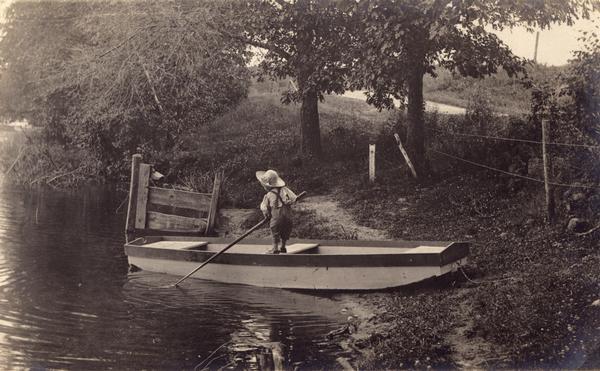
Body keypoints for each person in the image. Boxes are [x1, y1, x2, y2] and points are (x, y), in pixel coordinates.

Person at [256, 169, 298, 254]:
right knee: (286, 229)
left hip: (277, 216)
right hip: (288, 214)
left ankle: (275, 248)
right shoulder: (285, 190)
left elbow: (264, 207)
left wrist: (266, 214)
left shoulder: (268, 195)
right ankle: (283, 246)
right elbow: (294, 198)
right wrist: (289, 201)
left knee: (275, 230)